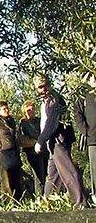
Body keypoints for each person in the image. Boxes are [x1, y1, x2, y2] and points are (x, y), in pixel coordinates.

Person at [33, 74, 86, 206]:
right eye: (40, 87)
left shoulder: (54, 99)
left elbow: (52, 123)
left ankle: (80, 203)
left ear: (49, 85)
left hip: (58, 140)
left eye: (45, 86)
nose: (43, 89)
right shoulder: (47, 100)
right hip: (52, 142)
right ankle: (47, 202)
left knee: (68, 173)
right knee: (52, 174)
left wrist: (40, 140)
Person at [0, 100, 24, 200]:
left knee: (16, 177)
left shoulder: (11, 120)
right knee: (6, 179)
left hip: (13, 152)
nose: (7, 110)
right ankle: (8, 202)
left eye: (7, 108)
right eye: (4, 109)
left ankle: (19, 200)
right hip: (2, 154)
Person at [71, 73, 96, 198]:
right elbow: (77, 114)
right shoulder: (84, 97)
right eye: (93, 79)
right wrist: (85, 131)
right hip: (93, 139)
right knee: (95, 168)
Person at [19, 99, 48, 197]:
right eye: (29, 110)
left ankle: (48, 195)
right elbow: (22, 139)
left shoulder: (39, 120)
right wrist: (36, 142)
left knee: (47, 174)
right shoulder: (23, 123)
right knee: (38, 176)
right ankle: (40, 197)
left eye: (33, 109)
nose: (31, 111)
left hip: (44, 149)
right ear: (24, 111)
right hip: (32, 151)